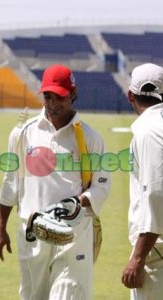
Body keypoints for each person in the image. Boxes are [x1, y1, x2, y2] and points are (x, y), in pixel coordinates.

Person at [0, 64, 110, 300]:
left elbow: (102, 185)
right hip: (32, 233)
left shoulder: (90, 137)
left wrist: (79, 202)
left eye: (60, 97)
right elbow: (11, 181)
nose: (53, 103)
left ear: (73, 95)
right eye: (48, 96)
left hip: (73, 233)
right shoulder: (23, 133)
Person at [121, 63, 163, 299]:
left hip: (156, 255)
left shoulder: (148, 131)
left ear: (130, 95)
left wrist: (138, 257)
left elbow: (156, 194)